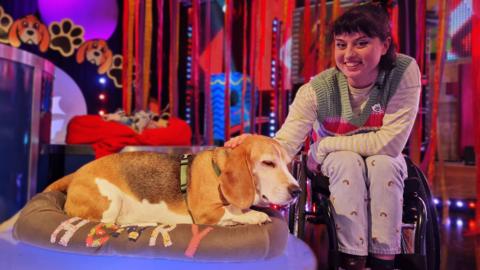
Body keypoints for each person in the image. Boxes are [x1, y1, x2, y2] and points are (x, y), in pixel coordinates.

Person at [225, 3, 421, 270]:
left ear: (384, 45)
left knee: (382, 162)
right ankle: (352, 260)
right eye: (341, 45)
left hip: (384, 160)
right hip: (338, 168)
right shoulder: (317, 89)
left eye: (361, 43)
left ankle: (383, 261)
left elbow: (389, 143)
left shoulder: (403, 71)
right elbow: (285, 145)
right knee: (345, 160)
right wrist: (254, 143)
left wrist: (326, 145)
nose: (349, 54)